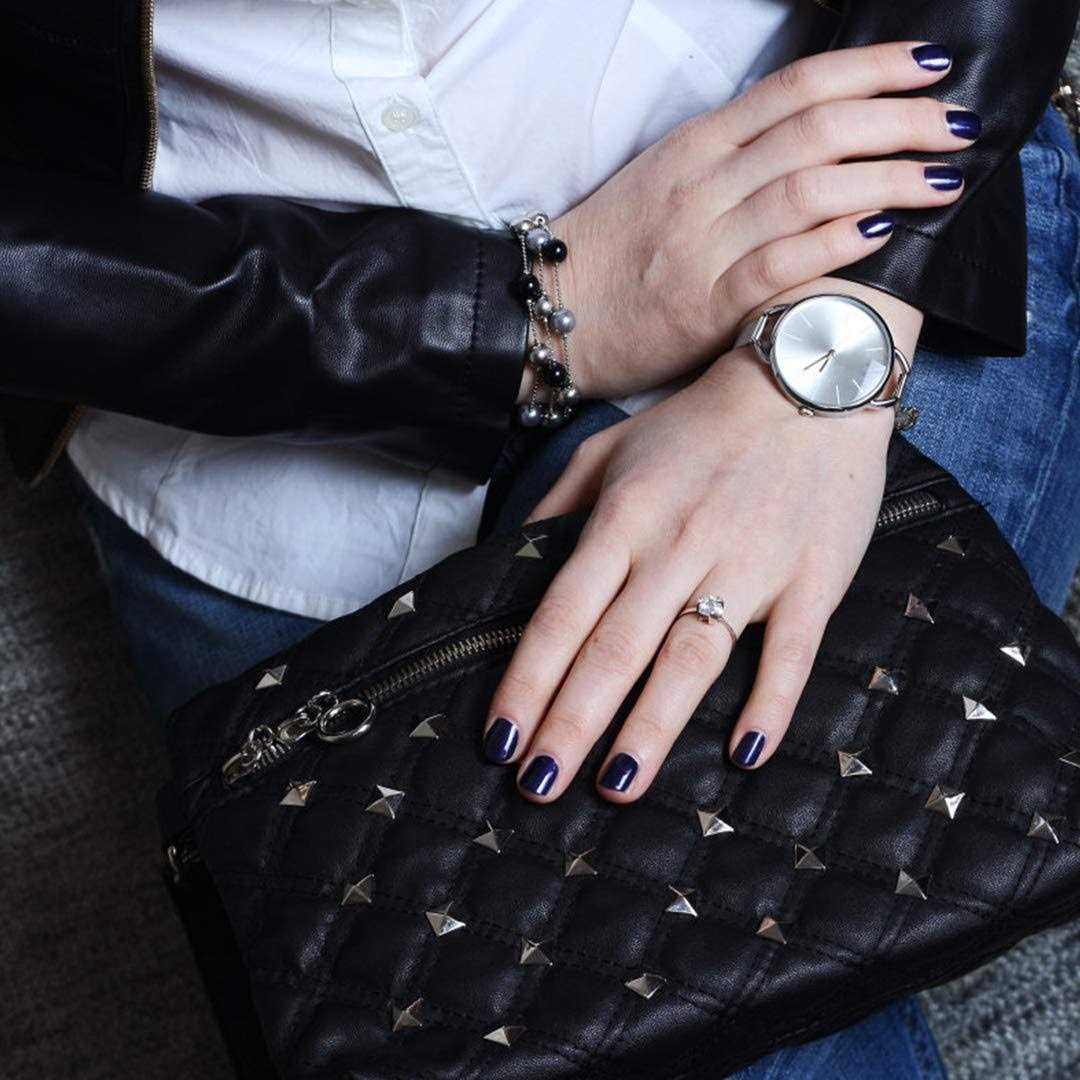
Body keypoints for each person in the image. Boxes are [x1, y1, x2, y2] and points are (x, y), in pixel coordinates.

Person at [2, 2, 1079, 1076]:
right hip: (240, 385)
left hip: (843, 186)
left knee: (702, 932)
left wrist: (820, 356)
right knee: (637, 980)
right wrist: (527, 313)